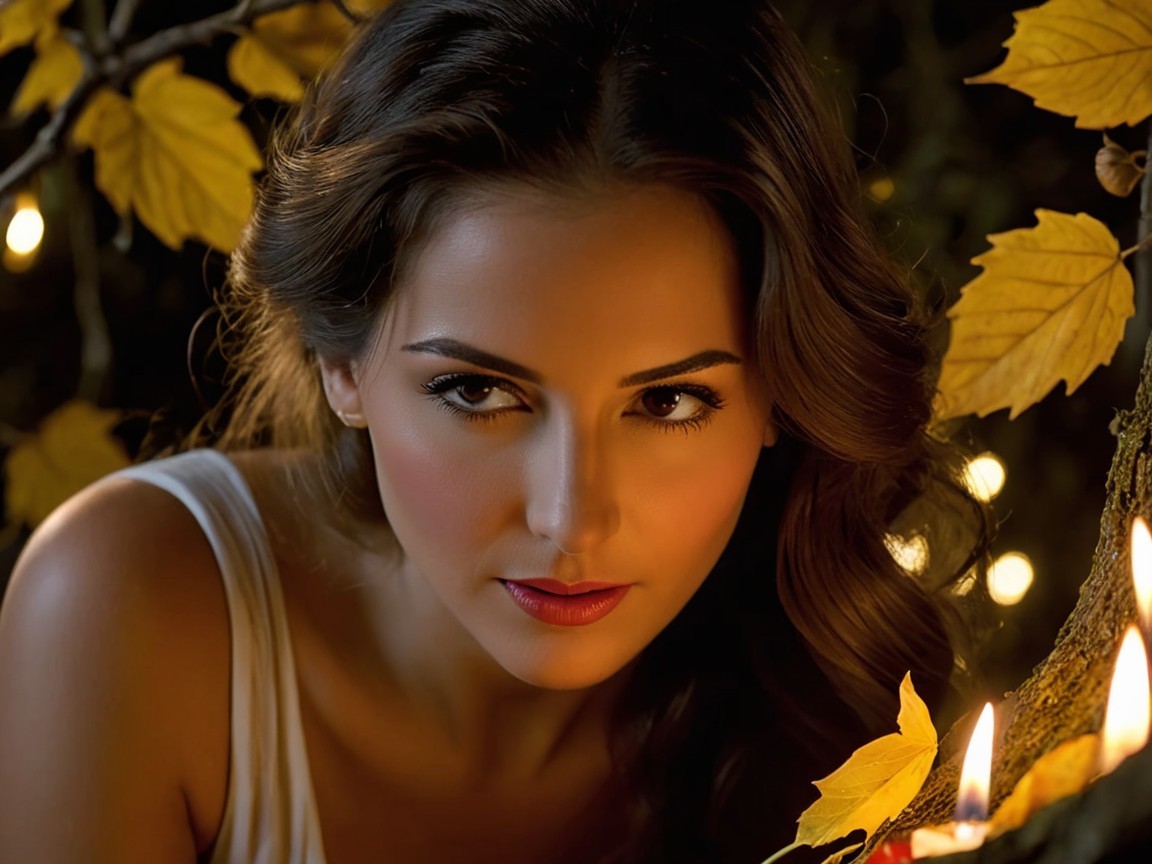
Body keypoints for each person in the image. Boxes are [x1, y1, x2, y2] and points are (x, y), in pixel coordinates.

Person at [0, 0, 989, 861]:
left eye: (668, 402)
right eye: (478, 392)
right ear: (341, 362)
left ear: (782, 393)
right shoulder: (128, 609)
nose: (571, 516)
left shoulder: (833, 713)